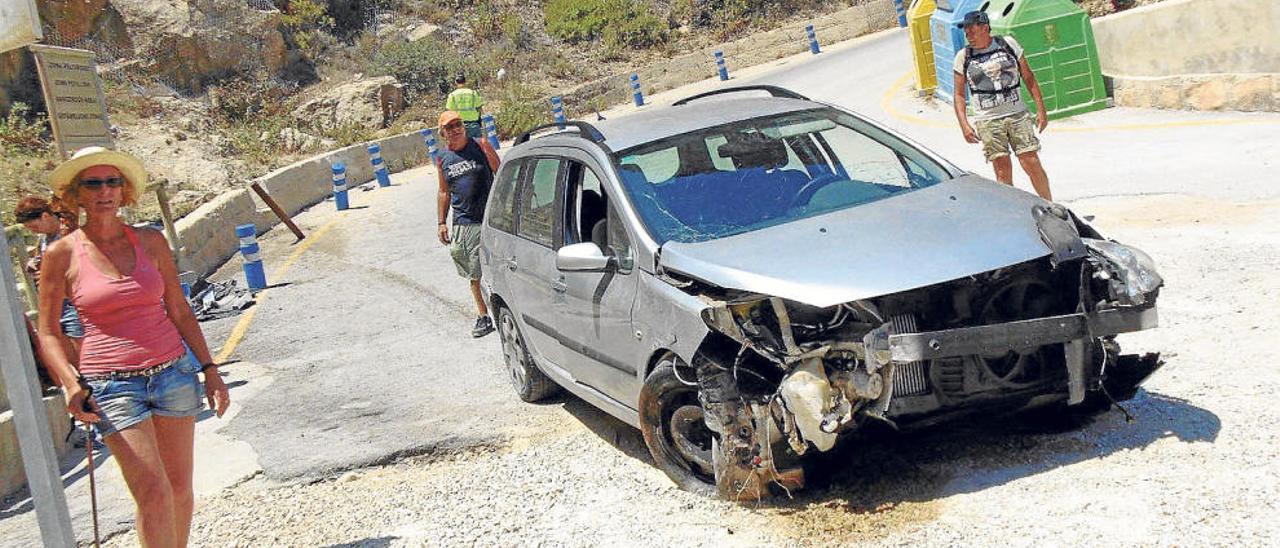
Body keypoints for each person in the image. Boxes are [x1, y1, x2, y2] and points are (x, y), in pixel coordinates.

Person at [35, 146, 230, 548]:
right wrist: (71, 384)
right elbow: (48, 332)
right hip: (111, 386)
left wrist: (210, 369)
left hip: (173, 374)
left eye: (113, 182)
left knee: (179, 490)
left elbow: (178, 309)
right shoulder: (61, 253)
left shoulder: (150, 241)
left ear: (124, 191)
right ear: (77, 194)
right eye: (94, 183)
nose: (105, 190)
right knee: (153, 494)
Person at [951, 10, 1054, 201]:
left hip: (1017, 115)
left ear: (984, 28)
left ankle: (1050, 205)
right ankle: (1012, 210)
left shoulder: (1008, 44)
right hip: (988, 121)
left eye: (971, 31)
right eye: (966, 32)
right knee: (1002, 170)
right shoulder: (963, 57)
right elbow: (958, 95)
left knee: (1030, 161)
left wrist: (1041, 110)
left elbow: (1029, 78)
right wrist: (964, 125)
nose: (968, 36)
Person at [436, 111, 501, 338]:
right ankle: (484, 316)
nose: (455, 129)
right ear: (443, 133)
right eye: (450, 127)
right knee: (473, 272)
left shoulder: (481, 146)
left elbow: (500, 173)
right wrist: (442, 222)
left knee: (501, 264)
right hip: (465, 221)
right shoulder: (442, 158)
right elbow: (444, 191)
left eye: (458, 124)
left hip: (491, 218)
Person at [15, 195, 84, 356]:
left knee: (80, 345)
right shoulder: (46, 239)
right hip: (56, 300)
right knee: (63, 344)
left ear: (45, 216)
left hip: (72, 299)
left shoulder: (69, 233)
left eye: (34, 227)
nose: (34, 231)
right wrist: (34, 263)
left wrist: (49, 275)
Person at [445, 73, 485, 140]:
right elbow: (479, 108)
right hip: (474, 124)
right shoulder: (473, 93)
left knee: (465, 148)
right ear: (465, 82)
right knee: (479, 146)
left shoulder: (452, 95)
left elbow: (449, 111)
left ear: (456, 82)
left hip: (460, 126)